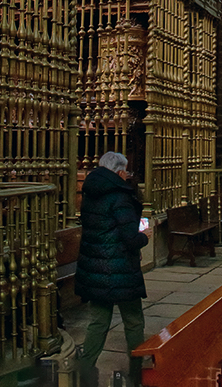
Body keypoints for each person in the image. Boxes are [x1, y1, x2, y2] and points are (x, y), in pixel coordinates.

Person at [77, 151, 149, 387]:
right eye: (126, 172)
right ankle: (136, 373)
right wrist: (144, 237)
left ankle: (85, 371)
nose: (127, 176)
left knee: (98, 322)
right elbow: (130, 238)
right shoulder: (119, 196)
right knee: (134, 321)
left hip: (96, 267)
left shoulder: (90, 191)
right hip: (120, 269)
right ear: (119, 171)